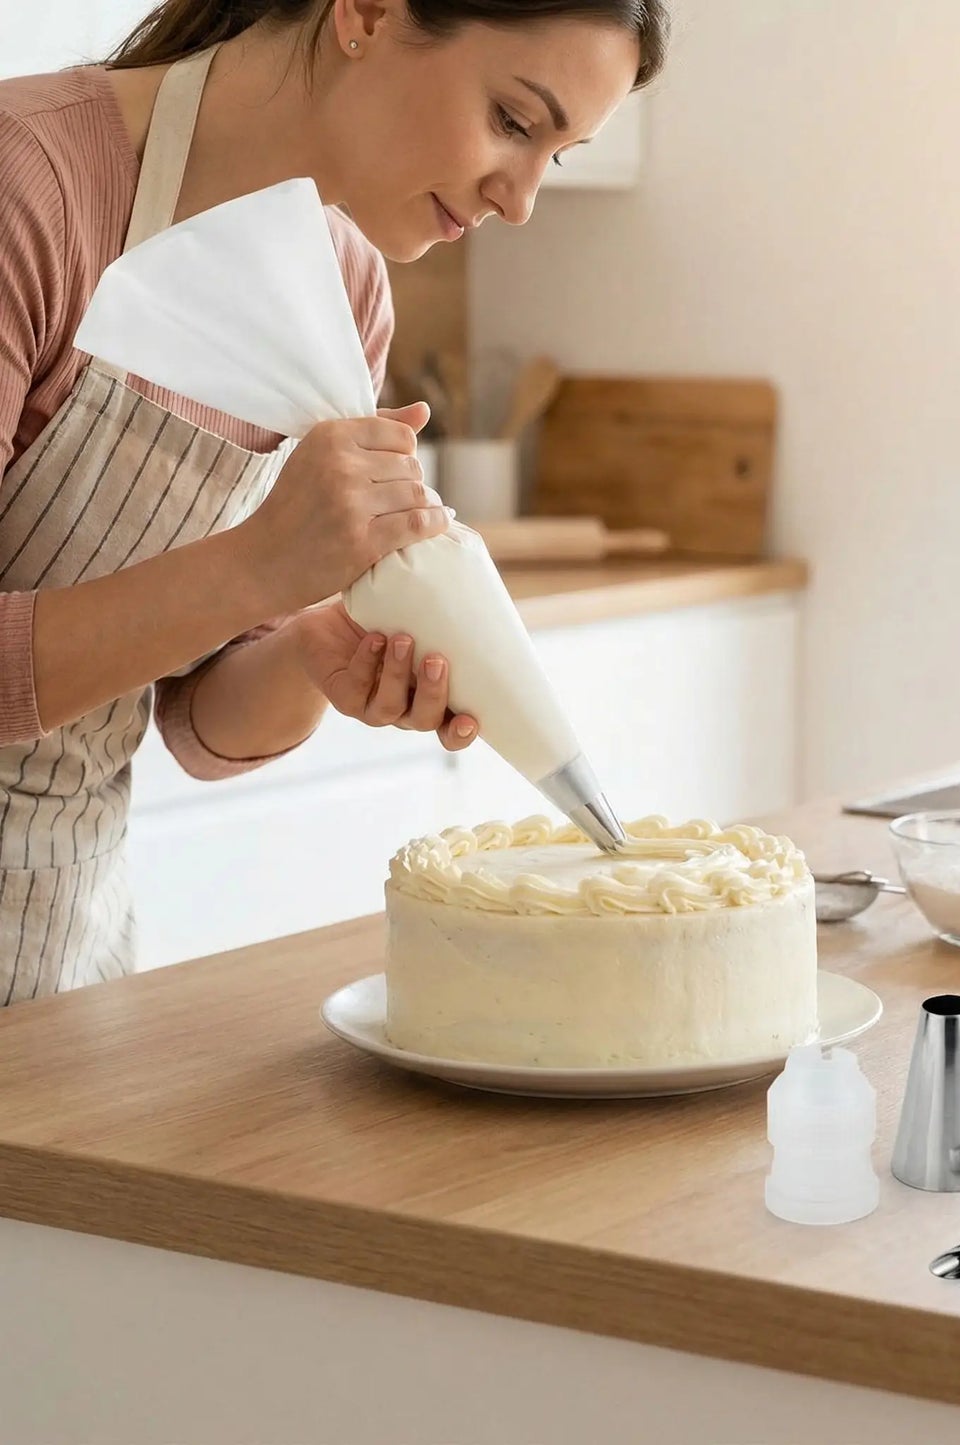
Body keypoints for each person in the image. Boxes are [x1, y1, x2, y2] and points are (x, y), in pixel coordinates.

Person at [0, 0, 670, 1002]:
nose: (520, 198)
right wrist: (257, 564)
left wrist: (315, 646)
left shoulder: (342, 289)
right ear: (364, 10)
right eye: (514, 121)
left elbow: (198, 719)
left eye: (556, 155)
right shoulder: (30, 186)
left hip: (64, 951)